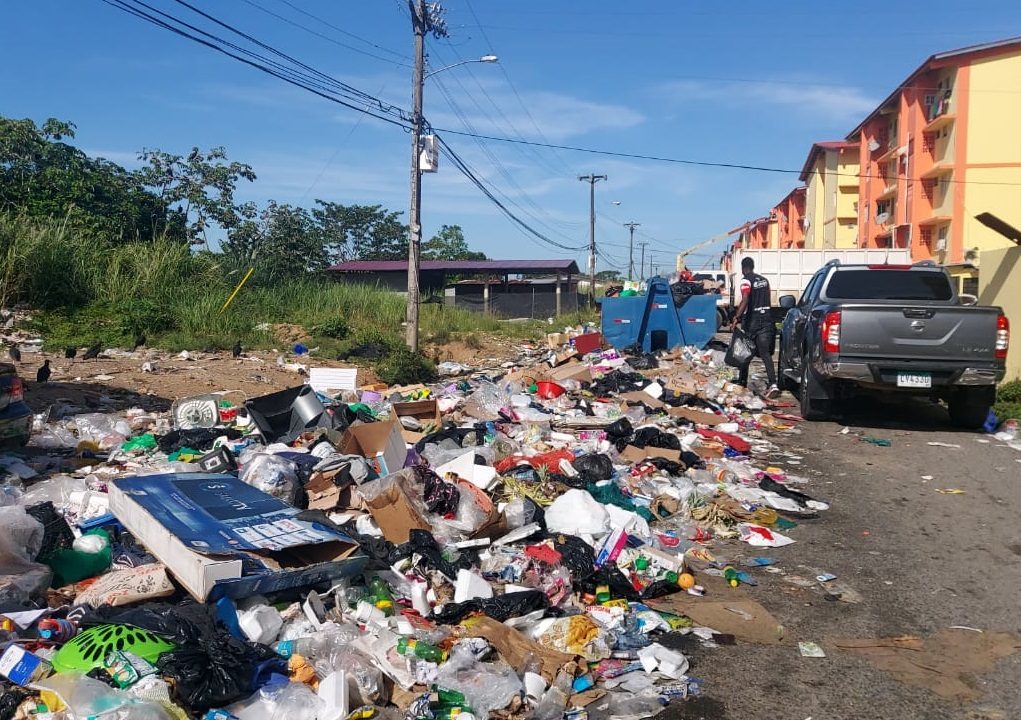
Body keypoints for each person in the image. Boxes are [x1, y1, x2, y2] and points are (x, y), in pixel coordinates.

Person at [730, 257, 779, 398]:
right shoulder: (764, 281)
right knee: (765, 354)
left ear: (743, 268)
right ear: (753, 266)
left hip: (753, 321)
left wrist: (736, 318)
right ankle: (773, 384)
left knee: (745, 351)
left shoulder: (746, 281)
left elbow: (745, 299)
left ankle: (742, 382)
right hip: (767, 319)